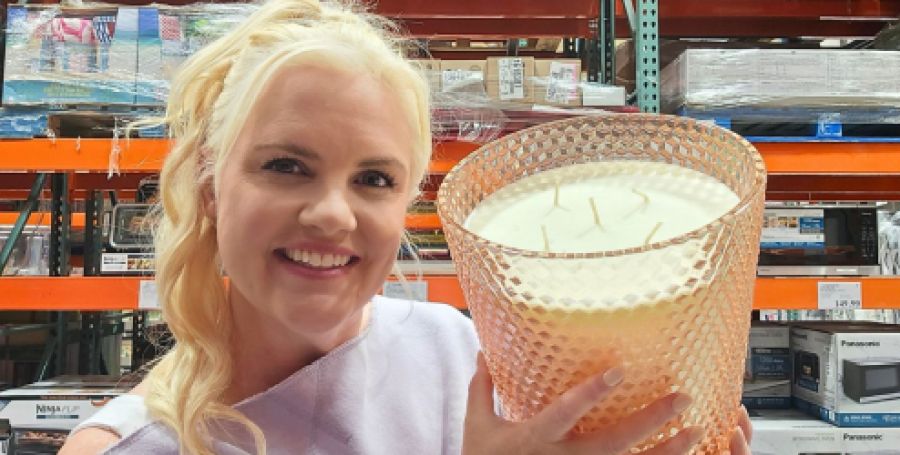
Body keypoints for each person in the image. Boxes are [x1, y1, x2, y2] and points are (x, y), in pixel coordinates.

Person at [60, 0, 753, 453]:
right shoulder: (132, 445)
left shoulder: (459, 358)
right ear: (210, 185)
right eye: (286, 166)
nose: (333, 213)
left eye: (373, 179)